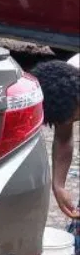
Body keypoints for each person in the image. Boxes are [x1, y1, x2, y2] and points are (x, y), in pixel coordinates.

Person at [29, 60, 80, 240]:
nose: (70, 124)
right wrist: (58, 186)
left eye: (73, 119)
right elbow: (63, 137)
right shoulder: (66, 86)